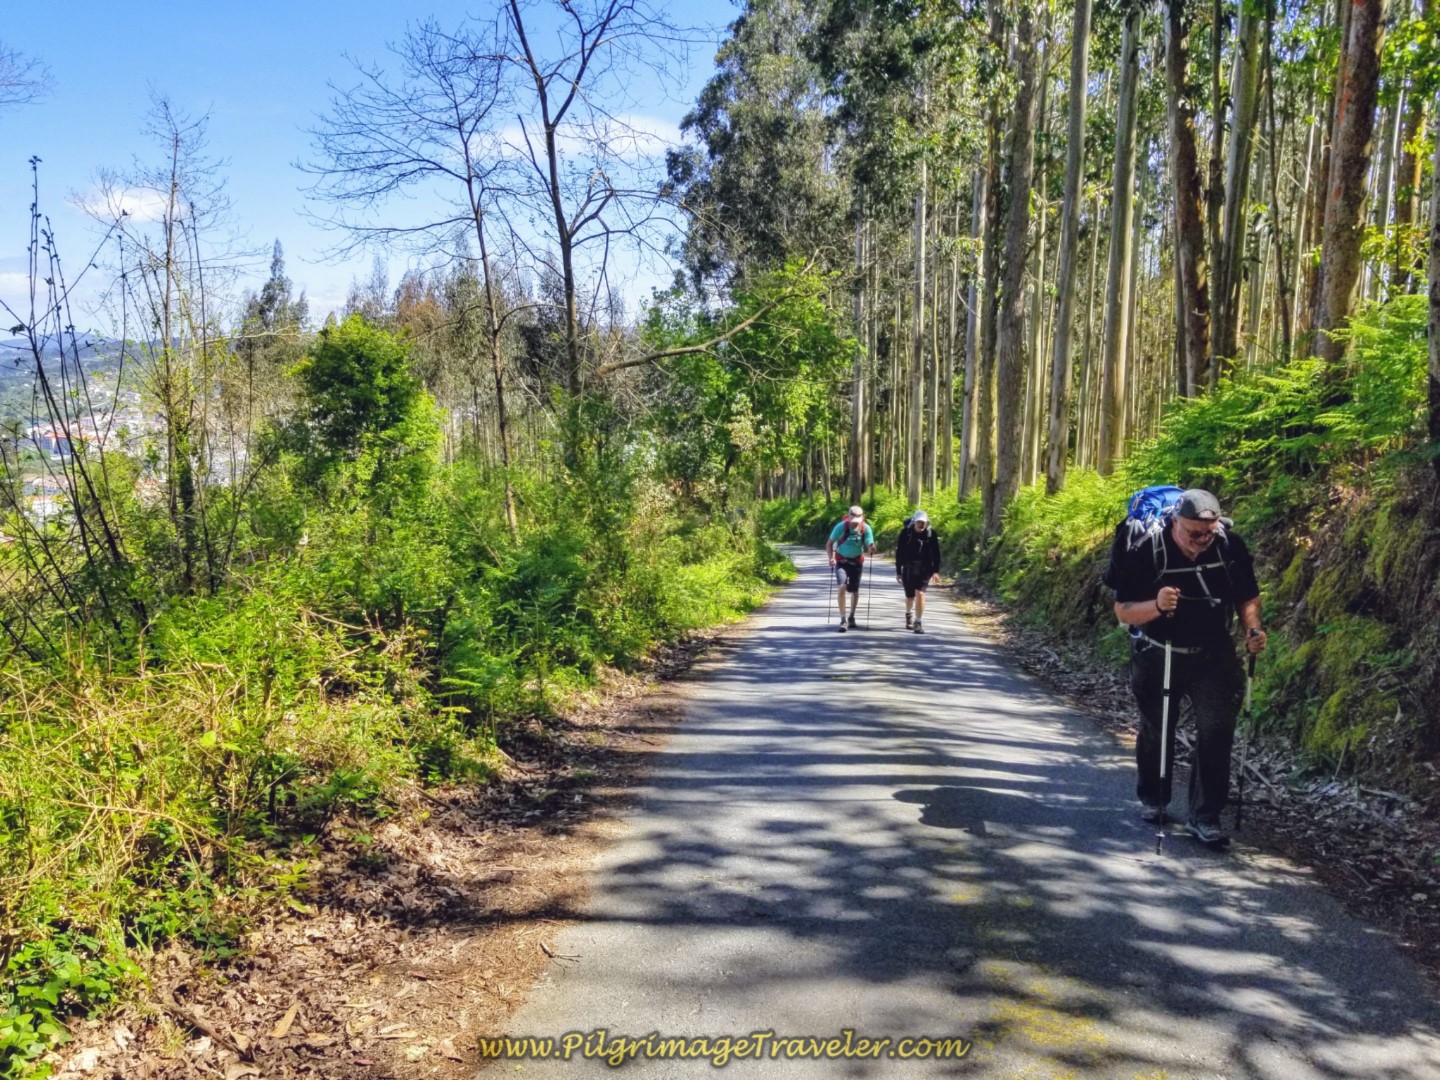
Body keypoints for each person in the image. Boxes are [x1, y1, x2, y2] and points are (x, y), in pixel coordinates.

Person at [1109, 488, 1268, 846]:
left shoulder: (1229, 547)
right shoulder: (1147, 549)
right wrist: (1158, 606)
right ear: (1175, 522)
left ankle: (1206, 816)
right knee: (1158, 728)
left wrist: (1252, 628)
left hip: (1213, 653)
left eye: (1207, 533)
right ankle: (1154, 797)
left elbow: (1247, 595)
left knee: (1216, 730)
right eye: (1192, 532)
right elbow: (1123, 611)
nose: (1200, 540)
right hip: (1157, 651)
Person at [826, 504, 876, 632]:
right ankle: (843, 619)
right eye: (853, 521)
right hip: (841, 561)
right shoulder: (840, 527)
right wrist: (831, 558)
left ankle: (852, 615)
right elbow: (829, 543)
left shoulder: (866, 529)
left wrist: (872, 548)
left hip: (857, 562)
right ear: (848, 518)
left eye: (857, 521)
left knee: (855, 590)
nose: (855, 524)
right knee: (842, 586)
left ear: (862, 518)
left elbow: (869, 544)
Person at [894, 510, 941, 633]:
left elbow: (936, 553)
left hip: (925, 569)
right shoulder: (906, 533)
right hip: (908, 568)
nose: (921, 525)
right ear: (914, 522)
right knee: (910, 597)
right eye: (919, 522)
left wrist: (936, 571)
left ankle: (918, 621)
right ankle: (908, 615)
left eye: (923, 522)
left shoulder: (931, 534)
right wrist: (898, 571)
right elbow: (899, 553)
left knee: (920, 593)